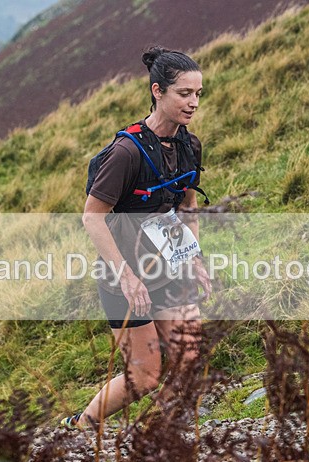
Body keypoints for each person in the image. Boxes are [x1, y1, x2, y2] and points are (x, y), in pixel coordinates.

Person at [62, 46, 212, 428]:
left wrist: (193, 258)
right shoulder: (126, 153)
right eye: (184, 93)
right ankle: (82, 427)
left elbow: (186, 207)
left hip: (170, 268)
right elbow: (92, 218)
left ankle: (162, 443)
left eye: (198, 93)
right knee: (144, 376)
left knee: (189, 362)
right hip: (124, 278)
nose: (193, 102)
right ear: (158, 91)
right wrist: (127, 277)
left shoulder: (189, 146)